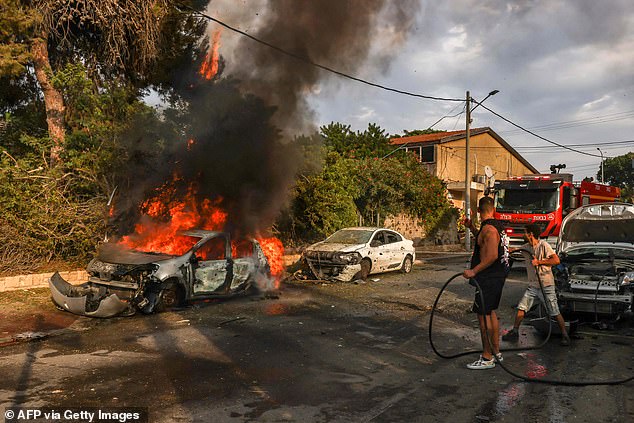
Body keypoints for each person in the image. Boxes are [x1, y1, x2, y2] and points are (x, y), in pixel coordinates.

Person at [502, 224, 571, 346]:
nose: (523, 234)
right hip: (533, 286)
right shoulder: (526, 247)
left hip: (546, 285)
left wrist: (539, 262)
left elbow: (556, 260)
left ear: (530, 234)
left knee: (554, 311)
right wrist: (505, 248)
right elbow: (514, 250)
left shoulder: (544, 245)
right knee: (522, 308)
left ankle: (565, 335)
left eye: (525, 232)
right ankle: (515, 331)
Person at [463, 196, 510, 370]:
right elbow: (483, 243)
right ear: (493, 210)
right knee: (490, 313)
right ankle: (496, 352)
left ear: (478, 211)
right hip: (495, 277)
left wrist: (473, 271)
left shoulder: (489, 229)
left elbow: (491, 256)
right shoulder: (494, 226)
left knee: (483, 317)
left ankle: (487, 357)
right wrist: (471, 228)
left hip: (488, 278)